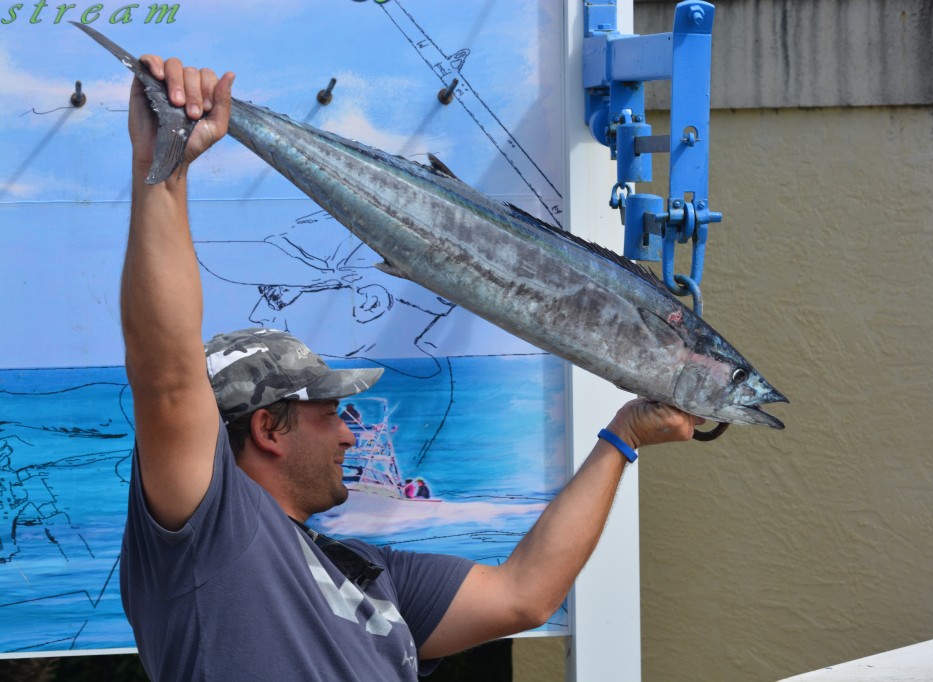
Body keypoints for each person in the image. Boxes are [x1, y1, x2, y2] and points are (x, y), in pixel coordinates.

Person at [118, 54, 701, 682]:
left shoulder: (366, 571)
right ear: (267, 429)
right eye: (329, 414)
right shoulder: (211, 536)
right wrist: (164, 169)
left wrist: (625, 434)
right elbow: (169, 377)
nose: (349, 432)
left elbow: (524, 595)